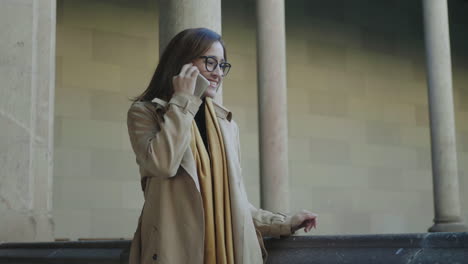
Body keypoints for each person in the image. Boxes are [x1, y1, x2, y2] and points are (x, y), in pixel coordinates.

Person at [127, 28, 317, 264]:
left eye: (222, 66)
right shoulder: (146, 113)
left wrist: (284, 222)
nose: (218, 73)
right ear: (182, 64)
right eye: (210, 63)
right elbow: (162, 164)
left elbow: (232, 203)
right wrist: (183, 101)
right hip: (174, 253)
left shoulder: (225, 124)